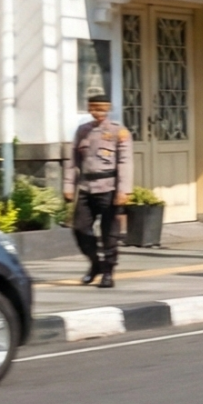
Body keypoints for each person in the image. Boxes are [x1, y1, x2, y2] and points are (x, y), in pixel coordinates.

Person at [66, 93, 135, 287]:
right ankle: (95, 263)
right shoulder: (82, 131)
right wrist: (68, 186)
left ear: (108, 109)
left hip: (109, 187)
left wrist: (124, 191)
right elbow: (72, 161)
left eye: (101, 109)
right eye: (93, 109)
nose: (97, 113)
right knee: (80, 228)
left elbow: (125, 162)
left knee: (109, 232)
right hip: (86, 187)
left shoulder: (118, 132)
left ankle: (108, 272)